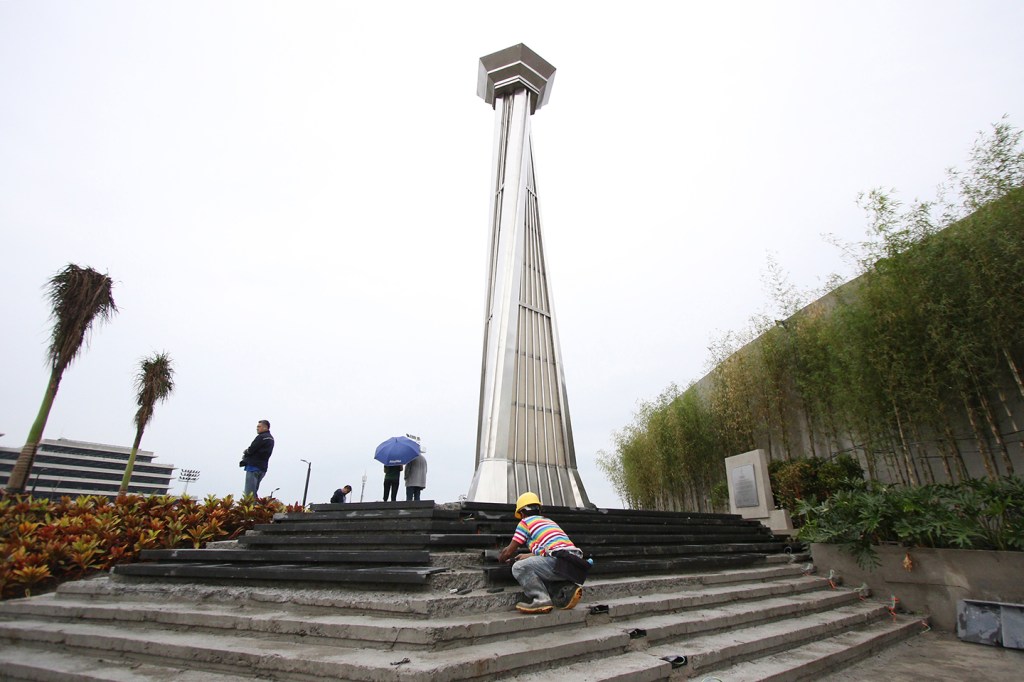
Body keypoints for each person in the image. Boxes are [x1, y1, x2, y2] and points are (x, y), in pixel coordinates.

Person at [497, 492, 586, 614]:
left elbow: (509, 551)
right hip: (575, 564)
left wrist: (501, 557)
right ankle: (566, 589)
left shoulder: (525, 522)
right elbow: (552, 548)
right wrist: (528, 556)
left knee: (519, 567)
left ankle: (541, 599)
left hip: (558, 561)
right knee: (535, 567)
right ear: (539, 510)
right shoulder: (548, 522)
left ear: (522, 513)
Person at [239, 419, 274, 497]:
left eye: (259, 426)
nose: (257, 428)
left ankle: (250, 508)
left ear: (265, 427)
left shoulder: (261, 437)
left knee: (249, 493)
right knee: (254, 490)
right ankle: (256, 507)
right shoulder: (271, 439)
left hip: (253, 467)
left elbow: (251, 449)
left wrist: (246, 452)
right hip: (262, 468)